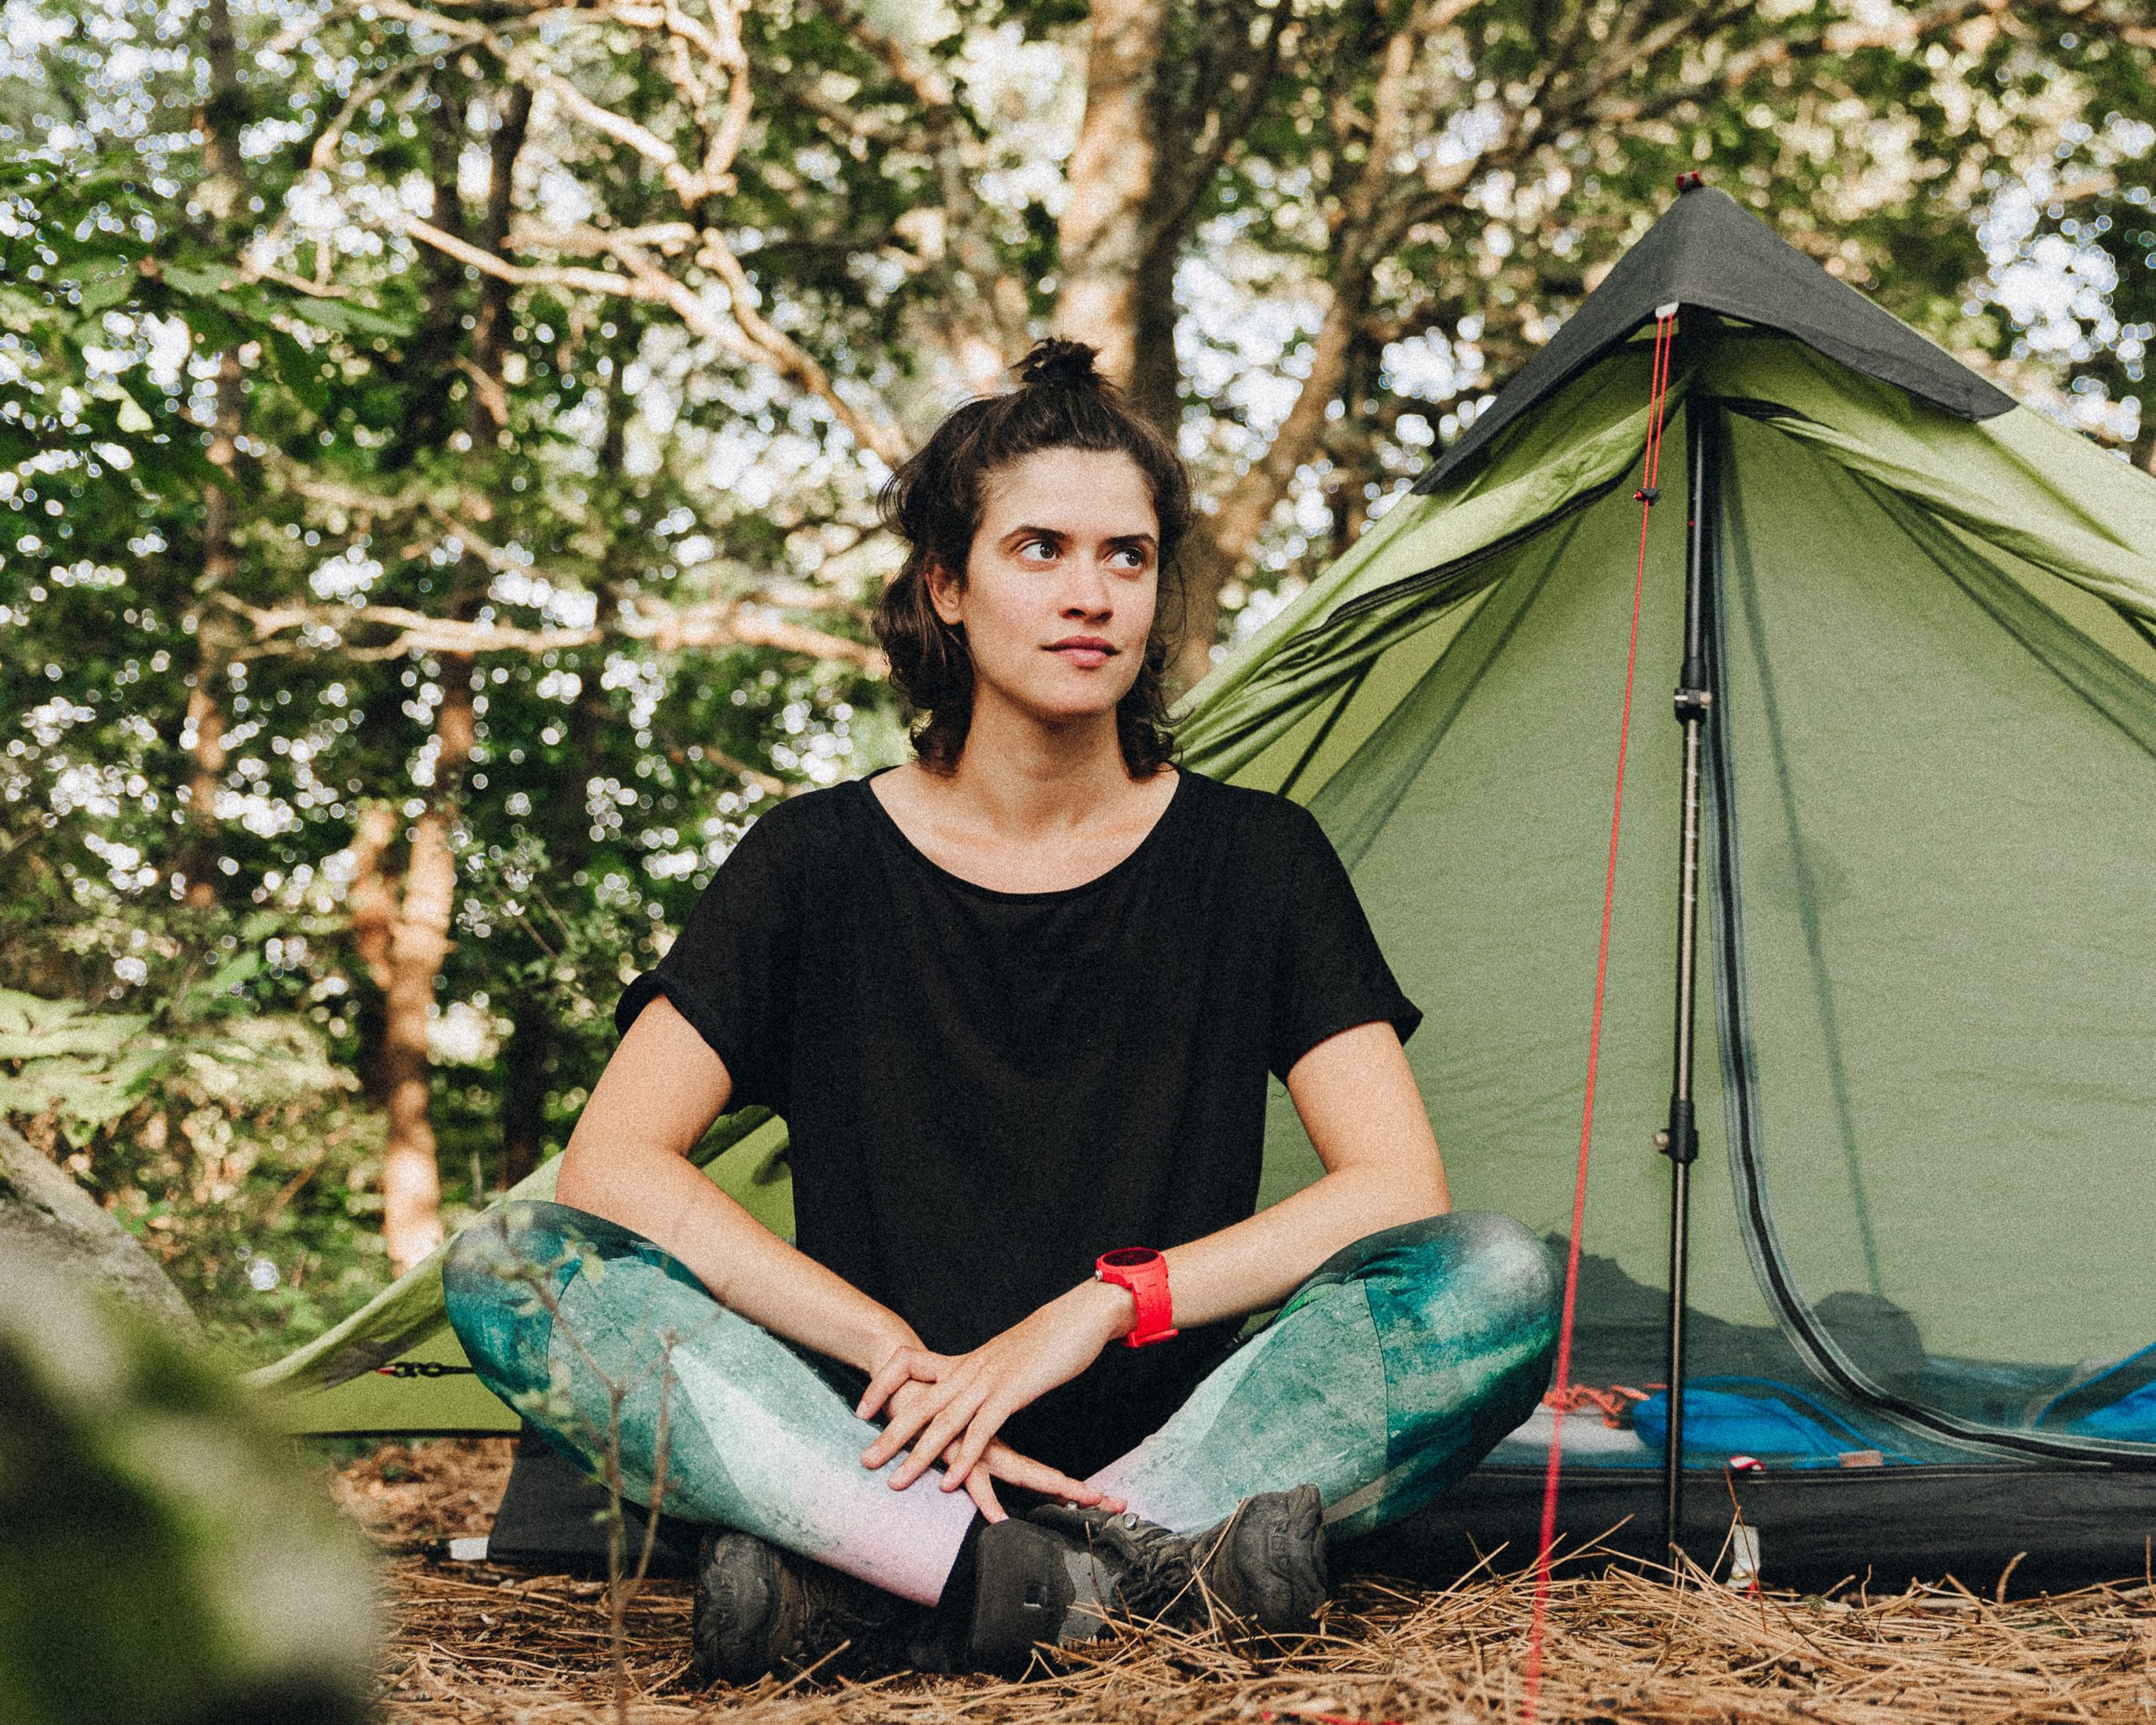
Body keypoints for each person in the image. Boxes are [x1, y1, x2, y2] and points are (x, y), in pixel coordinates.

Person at [444, 339, 1560, 1683]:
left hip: (1189, 1447)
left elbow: (1393, 1187)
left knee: (1498, 1276)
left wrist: (1097, 1311)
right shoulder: (813, 862)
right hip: (871, 1439)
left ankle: (924, 1583)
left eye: (1128, 556)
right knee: (508, 1258)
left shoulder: (1259, 859)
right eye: (1040, 549)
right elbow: (615, 1162)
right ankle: (1036, 1573)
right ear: (946, 588)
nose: (1091, 596)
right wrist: (893, 1352)